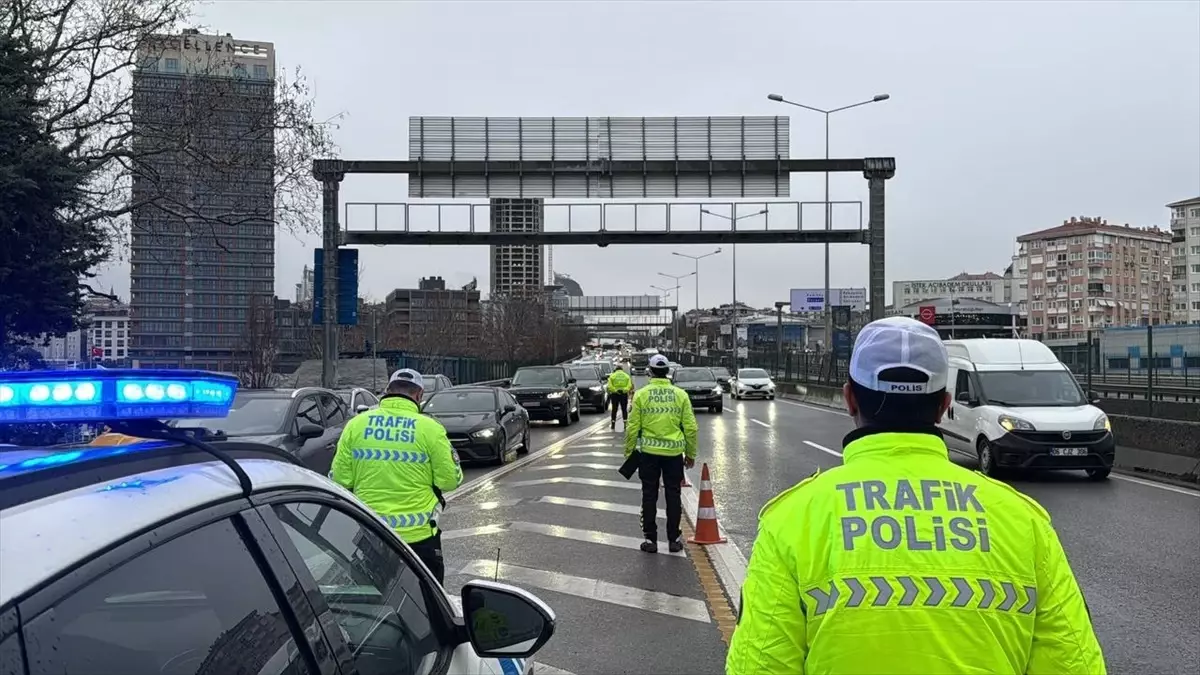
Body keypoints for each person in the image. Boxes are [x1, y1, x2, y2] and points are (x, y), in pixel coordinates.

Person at [726, 317, 1105, 675]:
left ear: (849, 399)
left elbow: (760, 666)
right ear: (944, 405)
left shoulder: (791, 521)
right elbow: (1075, 664)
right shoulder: (1024, 522)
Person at [332, 368, 464, 583]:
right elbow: (449, 480)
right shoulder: (430, 429)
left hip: (371, 533)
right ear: (419, 395)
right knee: (428, 605)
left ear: (387, 391)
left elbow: (339, 480)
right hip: (418, 537)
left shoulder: (356, 425)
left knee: (376, 604)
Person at [624, 353, 697, 554]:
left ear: (649, 371)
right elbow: (690, 428)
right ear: (668, 372)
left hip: (649, 454)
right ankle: (673, 540)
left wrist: (629, 452)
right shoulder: (680, 395)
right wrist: (690, 454)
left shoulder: (642, 395)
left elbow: (632, 427)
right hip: (673, 455)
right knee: (673, 495)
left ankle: (650, 540)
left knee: (649, 495)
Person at [607, 361, 634, 430]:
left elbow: (609, 386)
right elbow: (629, 386)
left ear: (616, 369)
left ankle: (613, 424)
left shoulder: (612, 376)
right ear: (622, 369)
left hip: (615, 395)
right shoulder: (626, 376)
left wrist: (615, 390)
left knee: (614, 409)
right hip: (623, 394)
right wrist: (624, 390)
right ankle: (625, 424)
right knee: (624, 409)